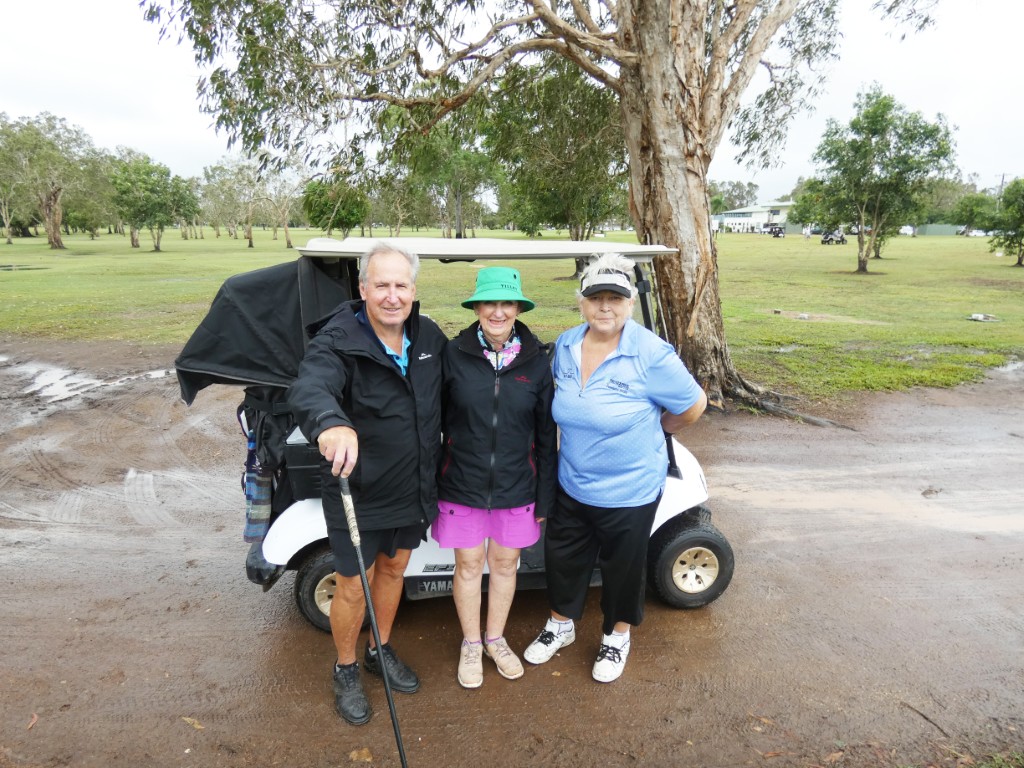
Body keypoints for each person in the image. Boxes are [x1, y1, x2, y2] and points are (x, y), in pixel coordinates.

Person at [523, 252, 707, 683]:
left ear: (629, 303)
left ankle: (616, 636)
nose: (605, 307)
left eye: (616, 298)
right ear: (581, 302)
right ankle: (561, 625)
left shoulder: (651, 353)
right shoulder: (566, 345)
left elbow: (693, 405)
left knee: (623, 568)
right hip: (573, 480)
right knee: (563, 559)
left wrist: (659, 427)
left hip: (630, 489)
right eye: (595, 298)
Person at [287, 242, 446, 725]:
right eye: (381, 285)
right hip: (358, 490)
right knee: (354, 585)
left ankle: (379, 649)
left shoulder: (428, 336)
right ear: (363, 288)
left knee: (395, 570)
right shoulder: (337, 339)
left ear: (413, 289)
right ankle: (346, 668)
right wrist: (330, 422)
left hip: (413, 485)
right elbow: (311, 386)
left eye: (401, 285)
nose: (392, 296)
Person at [433, 267, 557, 688]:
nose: (498, 312)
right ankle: (471, 644)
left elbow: (545, 435)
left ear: (518, 308)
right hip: (461, 485)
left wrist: (544, 496)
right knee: (468, 565)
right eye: (489, 303)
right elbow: (433, 422)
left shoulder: (536, 361)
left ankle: (495, 639)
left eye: (507, 303)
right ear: (477, 308)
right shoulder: (453, 354)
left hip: (517, 486)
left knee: (505, 564)